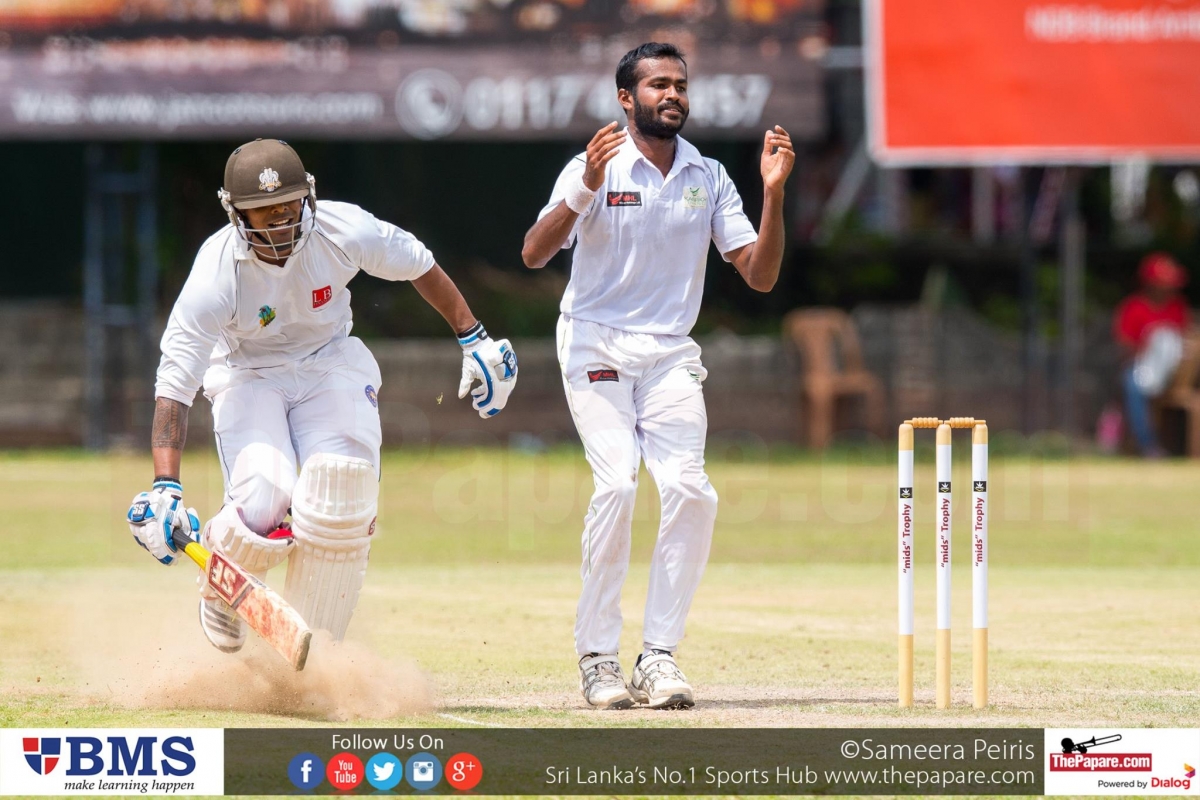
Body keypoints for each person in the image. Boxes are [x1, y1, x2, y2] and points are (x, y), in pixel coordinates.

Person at [126, 139, 518, 651]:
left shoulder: (342, 230)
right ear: (236, 213)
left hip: (329, 362)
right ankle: (223, 589)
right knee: (264, 495)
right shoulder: (216, 273)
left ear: (308, 196)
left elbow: (417, 262)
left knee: (343, 489)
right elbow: (174, 385)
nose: (281, 221)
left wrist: (474, 337)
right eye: (265, 211)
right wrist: (166, 487)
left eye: (288, 205)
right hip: (249, 374)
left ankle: (319, 654)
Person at [521, 42, 794, 709]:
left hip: (670, 352)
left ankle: (658, 656)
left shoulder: (708, 174)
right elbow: (533, 253)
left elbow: (759, 275)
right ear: (626, 98)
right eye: (658, 85)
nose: (673, 95)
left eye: (680, 85)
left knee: (691, 491)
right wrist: (585, 185)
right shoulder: (595, 163)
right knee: (617, 484)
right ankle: (598, 657)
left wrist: (773, 193)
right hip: (596, 341)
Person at [1112, 252, 1190, 457]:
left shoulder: (1177, 306)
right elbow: (1124, 346)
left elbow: (1185, 340)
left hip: (1174, 372)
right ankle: (1148, 446)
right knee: (1132, 383)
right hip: (1143, 368)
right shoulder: (1134, 307)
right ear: (1151, 283)